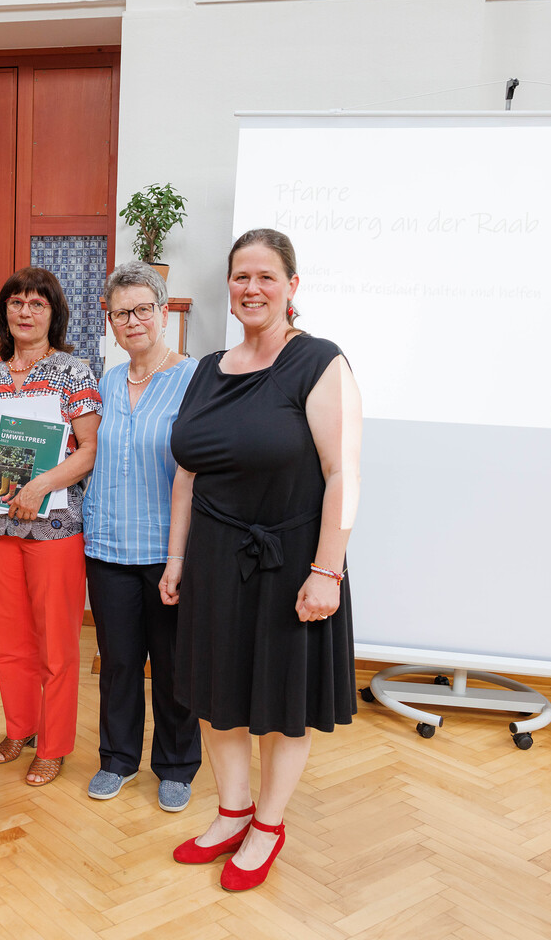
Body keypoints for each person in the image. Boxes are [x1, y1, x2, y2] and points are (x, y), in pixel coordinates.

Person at [161, 228, 362, 892]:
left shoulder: (320, 362)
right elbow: (187, 474)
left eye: (266, 276)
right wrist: (176, 559)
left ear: (291, 286)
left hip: (290, 563)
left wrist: (327, 570)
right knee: (216, 696)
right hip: (215, 559)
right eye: (241, 276)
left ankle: (268, 826)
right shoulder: (208, 369)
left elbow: (343, 474)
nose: (252, 288)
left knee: (281, 701)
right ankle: (232, 812)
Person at [82, 261, 201, 811]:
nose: (132, 321)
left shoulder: (195, 379)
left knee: (173, 665)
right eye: (120, 313)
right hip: (107, 546)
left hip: (167, 551)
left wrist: (181, 556)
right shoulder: (107, 381)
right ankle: (117, 759)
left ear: (163, 312)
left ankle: (176, 765)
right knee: (119, 662)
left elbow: (198, 470)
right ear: (110, 321)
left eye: (142, 310)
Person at [0, 267, 101, 787]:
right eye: (16, 303)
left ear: (54, 314)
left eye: (37, 304)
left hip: (55, 527)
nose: (24, 312)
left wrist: (39, 485)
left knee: (57, 644)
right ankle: (20, 728)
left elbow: (89, 450)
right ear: (4, 311)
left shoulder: (74, 371)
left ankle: (52, 746)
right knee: (9, 638)